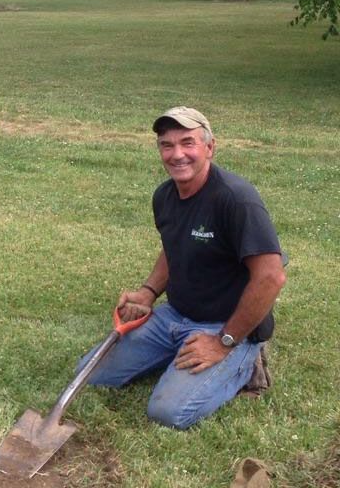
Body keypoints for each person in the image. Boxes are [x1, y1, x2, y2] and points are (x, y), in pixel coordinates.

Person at [78, 106, 286, 429]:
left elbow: (271, 277)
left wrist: (222, 342)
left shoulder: (236, 199)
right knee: (88, 374)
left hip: (222, 326)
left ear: (209, 147)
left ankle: (246, 363)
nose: (177, 154)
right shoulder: (164, 196)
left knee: (169, 412)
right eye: (167, 145)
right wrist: (148, 292)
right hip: (172, 316)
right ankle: (177, 353)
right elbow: (175, 246)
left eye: (187, 142)